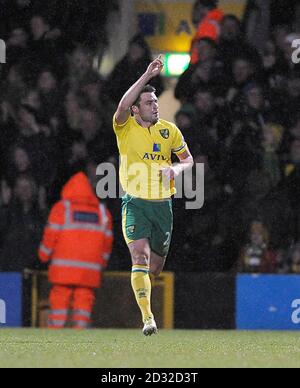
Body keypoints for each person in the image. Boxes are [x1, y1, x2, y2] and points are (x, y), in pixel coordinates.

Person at [113, 56, 194, 336]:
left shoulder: (168, 131)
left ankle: (143, 295)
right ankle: (148, 319)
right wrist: (147, 75)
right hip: (134, 203)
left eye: (156, 102)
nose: (155, 105)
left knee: (155, 268)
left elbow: (188, 160)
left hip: (162, 207)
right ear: (137, 110)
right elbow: (122, 105)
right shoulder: (125, 127)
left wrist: (175, 170)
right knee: (140, 258)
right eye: (149, 102)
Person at [38, 172, 113, 329]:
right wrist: (102, 263)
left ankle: (56, 329)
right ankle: (80, 329)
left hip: (63, 268)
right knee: (84, 298)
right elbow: (107, 242)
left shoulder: (62, 208)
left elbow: (50, 235)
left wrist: (43, 255)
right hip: (89, 270)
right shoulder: (102, 212)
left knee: (60, 296)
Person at [190, 0, 224, 64]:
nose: (192, 13)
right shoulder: (215, 21)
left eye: (195, 9)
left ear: (201, 8)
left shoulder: (207, 26)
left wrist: (194, 66)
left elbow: (204, 52)